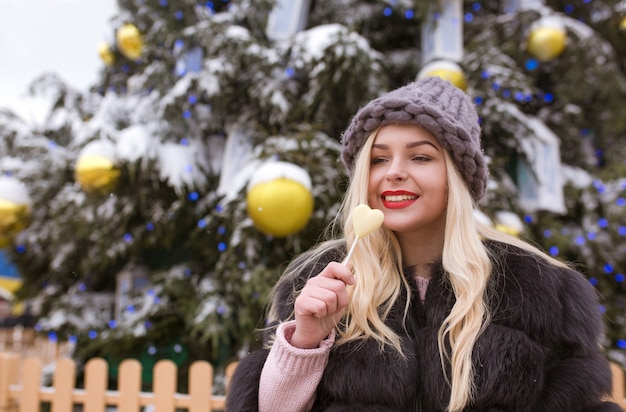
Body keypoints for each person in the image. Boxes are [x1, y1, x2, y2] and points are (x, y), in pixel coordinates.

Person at [226, 76, 621, 411]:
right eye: (379, 160)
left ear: (457, 177)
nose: (394, 173)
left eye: (420, 157)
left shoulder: (540, 289)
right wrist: (306, 342)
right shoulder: (319, 282)